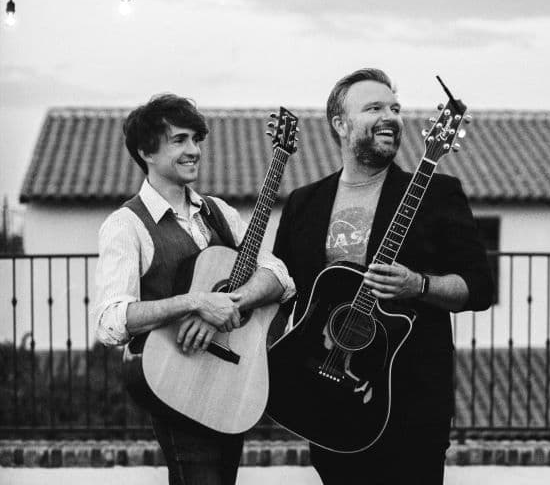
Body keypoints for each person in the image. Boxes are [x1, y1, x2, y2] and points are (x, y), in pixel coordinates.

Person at [273, 68, 493, 485]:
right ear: (340, 124)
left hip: (410, 401)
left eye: (395, 108)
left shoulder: (437, 193)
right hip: (325, 390)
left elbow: (479, 288)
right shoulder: (305, 202)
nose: (390, 116)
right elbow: (283, 288)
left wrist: (419, 285)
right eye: (374, 107)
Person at [93, 94, 295, 485]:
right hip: (174, 383)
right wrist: (197, 302)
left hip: (230, 382)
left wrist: (231, 301)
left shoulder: (221, 212)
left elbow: (279, 276)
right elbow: (110, 321)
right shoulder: (125, 225)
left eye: (197, 140)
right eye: (180, 140)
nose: (194, 150)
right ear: (145, 151)